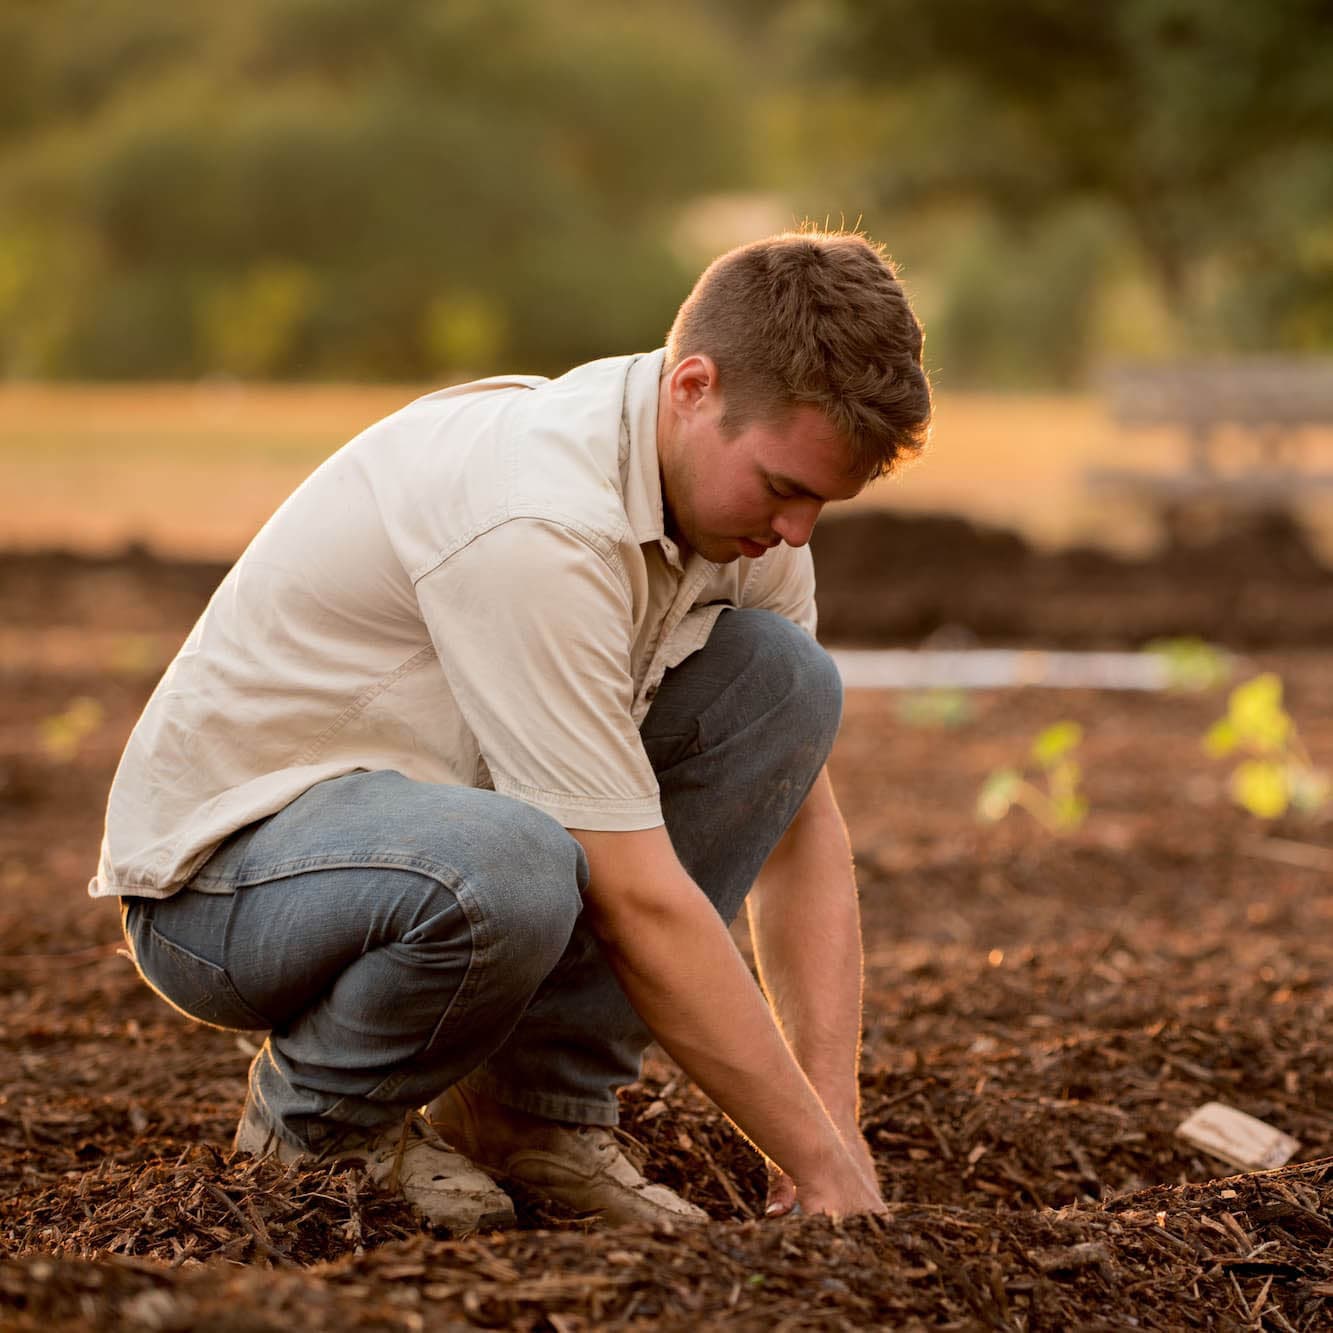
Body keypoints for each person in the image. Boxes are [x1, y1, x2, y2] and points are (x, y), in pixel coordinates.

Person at [94, 229, 932, 1233]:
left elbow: (796, 832)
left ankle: (529, 1116)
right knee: (517, 862)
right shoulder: (538, 521)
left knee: (783, 683)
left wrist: (832, 1139)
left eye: (820, 504)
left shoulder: (738, 523)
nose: (796, 532)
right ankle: (319, 1127)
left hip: (434, 837)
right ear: (693, 388)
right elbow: (637, 900)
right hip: (223, 885)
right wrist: (810, 1157)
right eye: (782, 488)